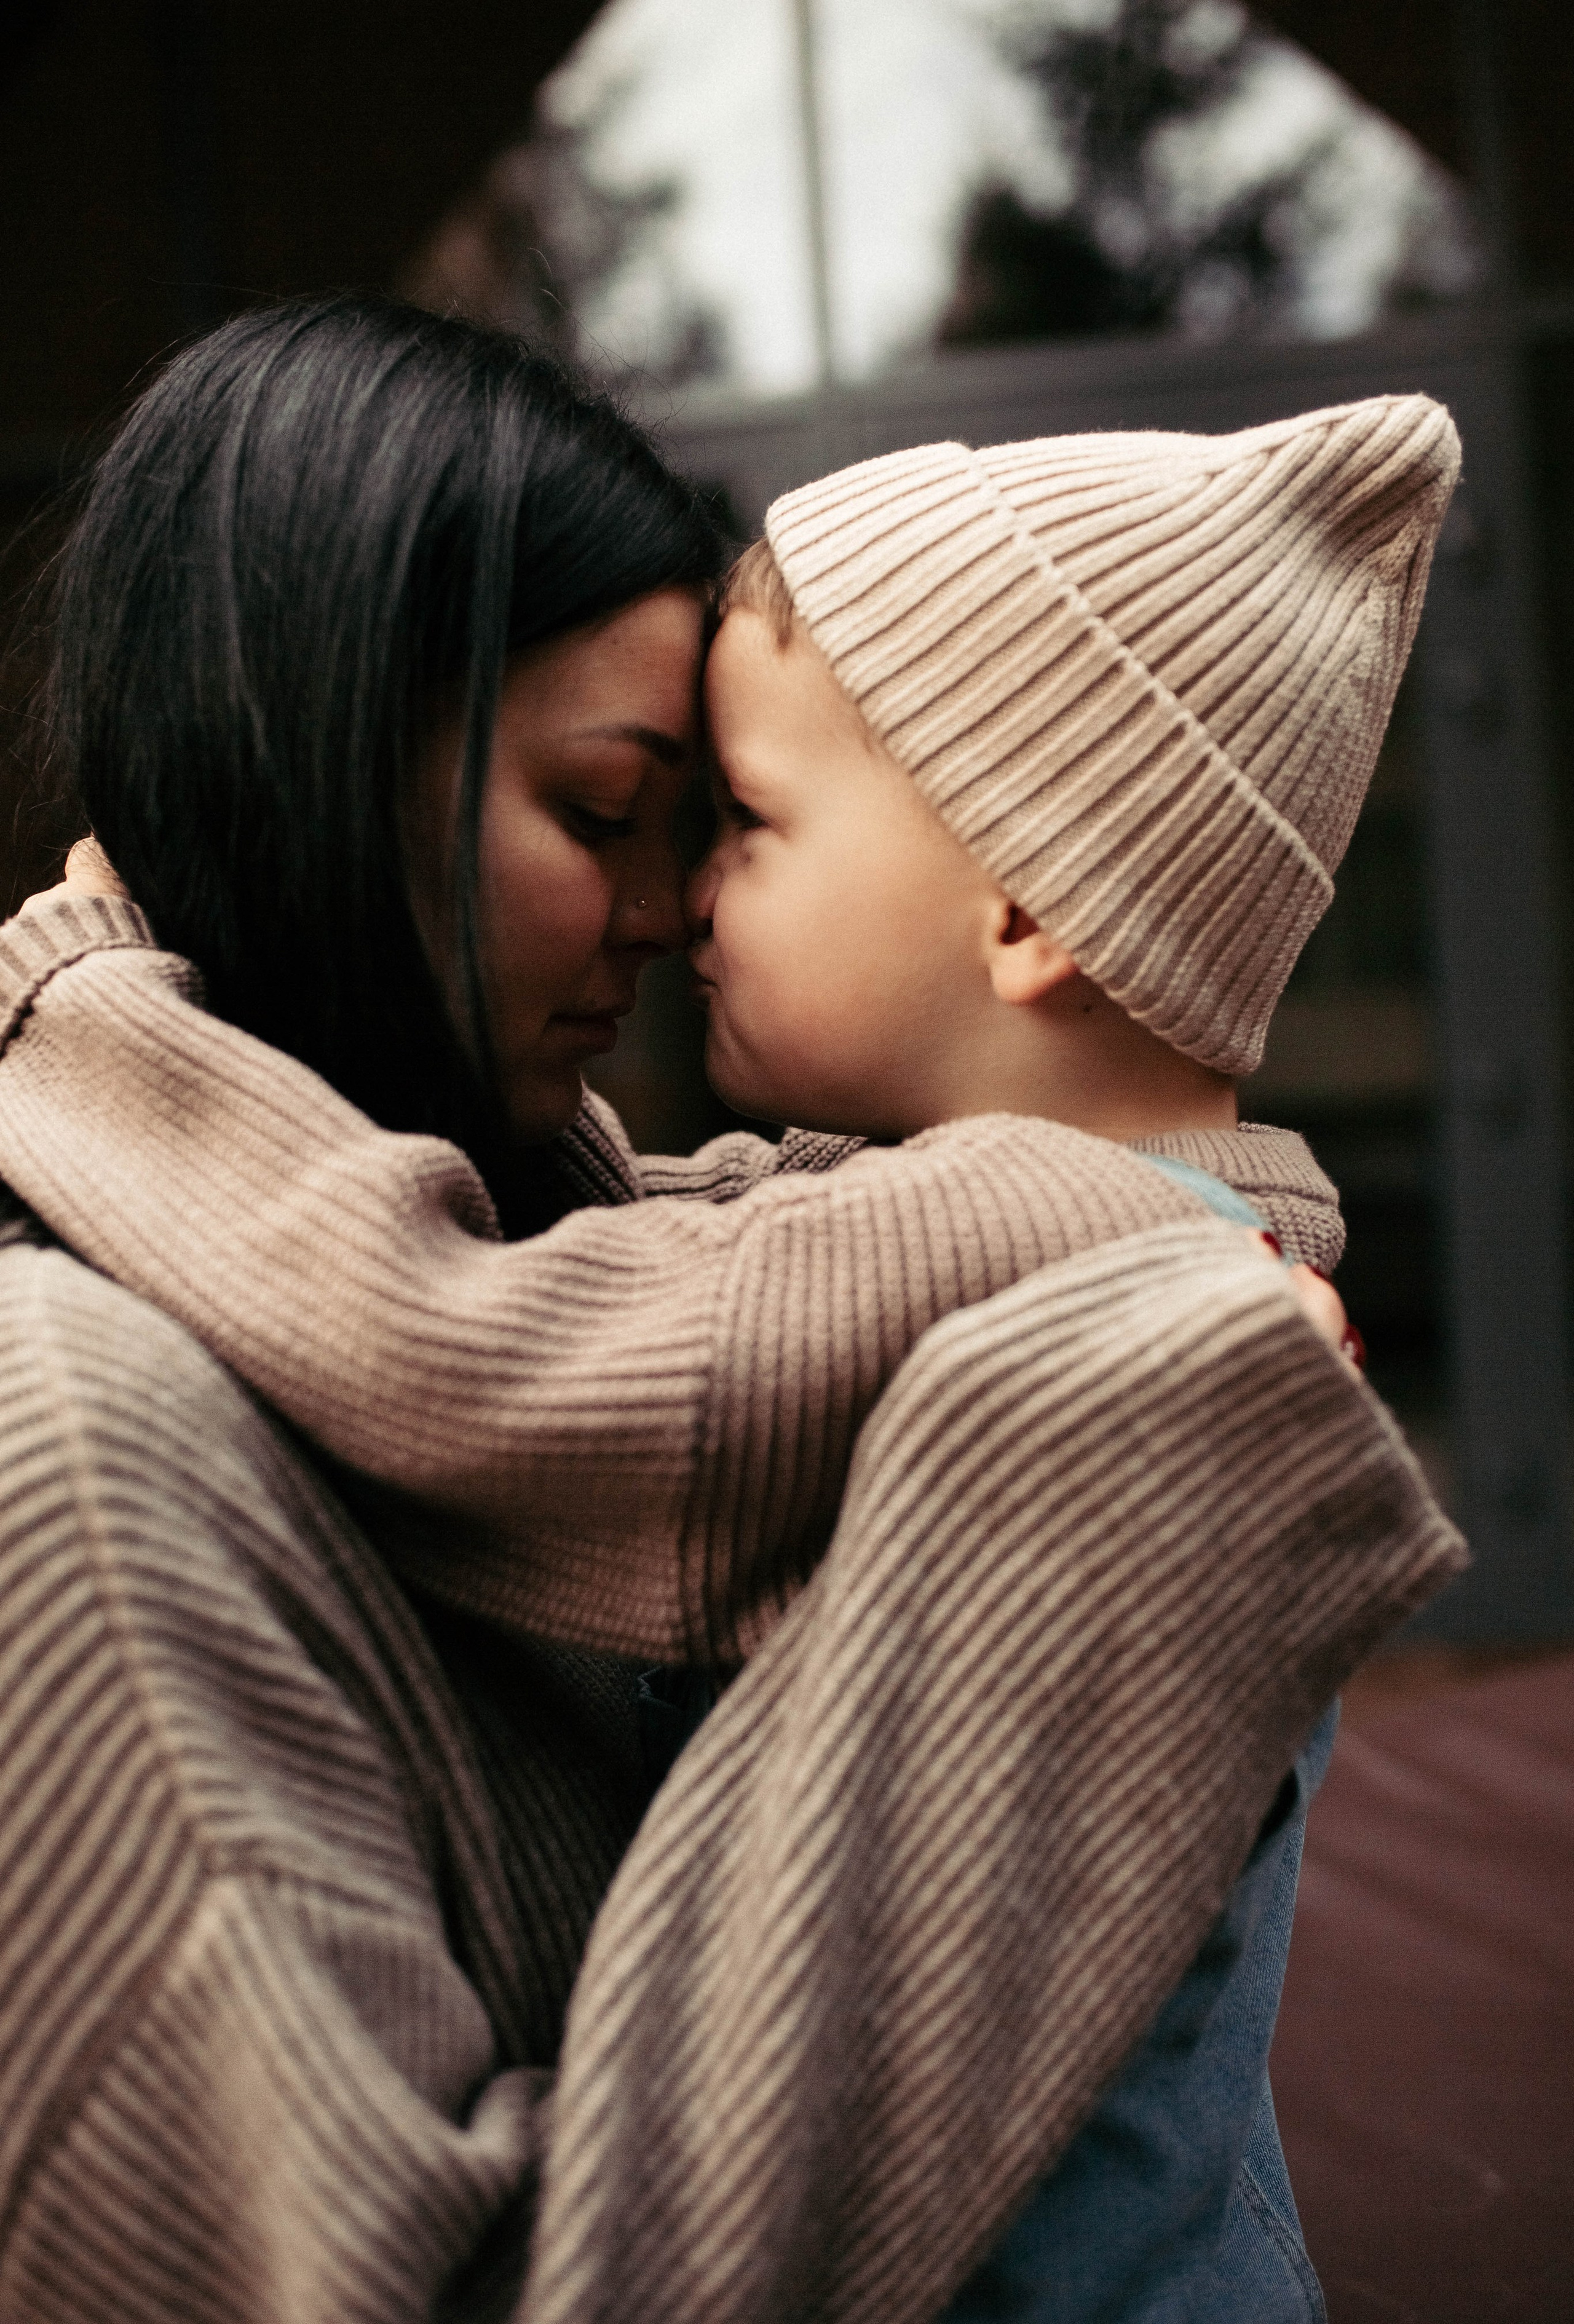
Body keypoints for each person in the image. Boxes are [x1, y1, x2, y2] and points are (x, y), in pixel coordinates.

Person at [0, 298, 1463, 2324]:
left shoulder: (1069, 1268)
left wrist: (75, 1018)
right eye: (614, 813)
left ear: (1028, 908)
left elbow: (486, 1330)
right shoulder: (73, 1429)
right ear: (309, 761)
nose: (679, 908)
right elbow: (626, 1265)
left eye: (731, 826)